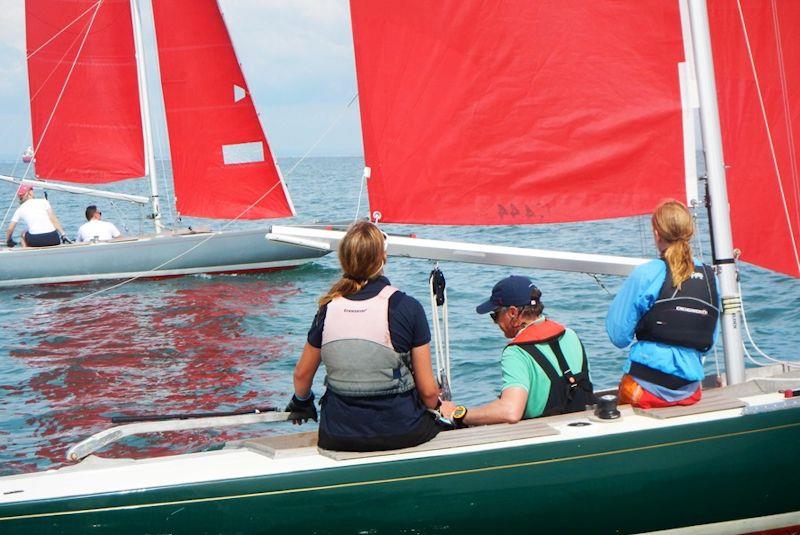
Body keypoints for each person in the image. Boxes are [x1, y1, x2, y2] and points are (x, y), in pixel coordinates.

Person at [286, 221, 442, 451]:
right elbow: (429, 392)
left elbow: (301, 375)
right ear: (383, 258)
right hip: (401, 431)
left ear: (344, 260)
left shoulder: (328, 308)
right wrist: (441, 407)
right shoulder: (408, 307)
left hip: (338, 435)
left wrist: (301, 401)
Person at [606, 199, 720, 409]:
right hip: (690, 392)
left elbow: (618, 336)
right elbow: (708, 341)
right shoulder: (710, 277)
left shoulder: (647, 274)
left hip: (644, 392)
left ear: (657, 234)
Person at [440, 276, 594, 427]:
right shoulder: (570, 334)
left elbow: (510, 411)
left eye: (495, 315)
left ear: (513, 312)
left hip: (544, 439)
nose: (496, 323)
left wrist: (459, 413)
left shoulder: (516, 353)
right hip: (582, 427)